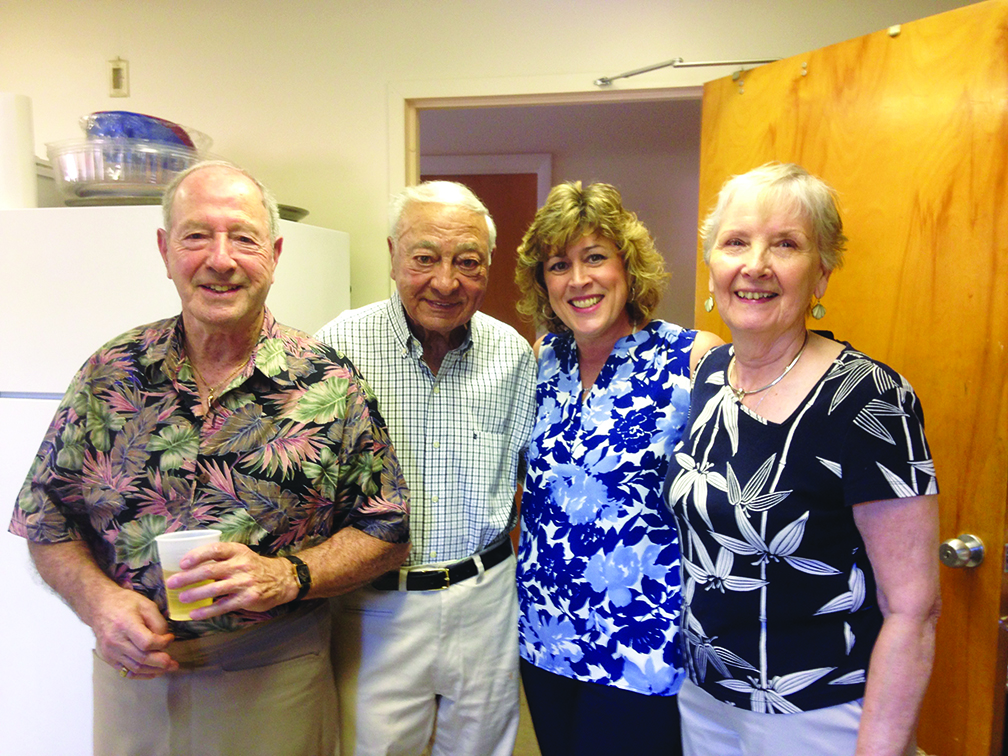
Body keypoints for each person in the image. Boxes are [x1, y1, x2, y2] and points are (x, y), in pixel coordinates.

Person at [8, 160, 411, 756]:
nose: (220, 259)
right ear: (165, 250)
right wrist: (99, 603)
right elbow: (45, 520)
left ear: (273, 254)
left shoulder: (328, 382)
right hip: (133, 672)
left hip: (276, 674)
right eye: (197, 235)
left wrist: (289, 575)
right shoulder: (109, 374)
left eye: (243, 238)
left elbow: (388, 528)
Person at [664, 162, 940, 756]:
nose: (755, 265)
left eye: (785, 244)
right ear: (713, 263)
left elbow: (913, 609)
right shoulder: (711, 375)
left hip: (819, 712)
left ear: (821, 274)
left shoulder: (869, 400)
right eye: (736, 242)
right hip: (706, 696)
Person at [314, 180, 536, 756]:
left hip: (486, 600)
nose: (445, 281)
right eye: (424, 258)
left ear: (488, 267)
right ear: (392, 256)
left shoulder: (512, 352)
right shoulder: (337, 347)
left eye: (467, 262)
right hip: (373, 608)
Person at [512, 181, 722, 755]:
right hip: (545, 634)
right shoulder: (541, 360)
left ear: (628, 268)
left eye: (595, 257)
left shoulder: (693, 357)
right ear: (543, 284)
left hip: (643, 643)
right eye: (559, 265)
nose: (578, 280)